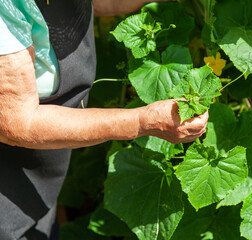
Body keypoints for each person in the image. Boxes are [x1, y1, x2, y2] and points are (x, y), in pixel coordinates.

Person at [0, 0, 208, 239]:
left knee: (41, 219)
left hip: (43, 164)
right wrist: (142, 121)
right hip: (7, 178)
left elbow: (100, 2)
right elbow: (19, 123)